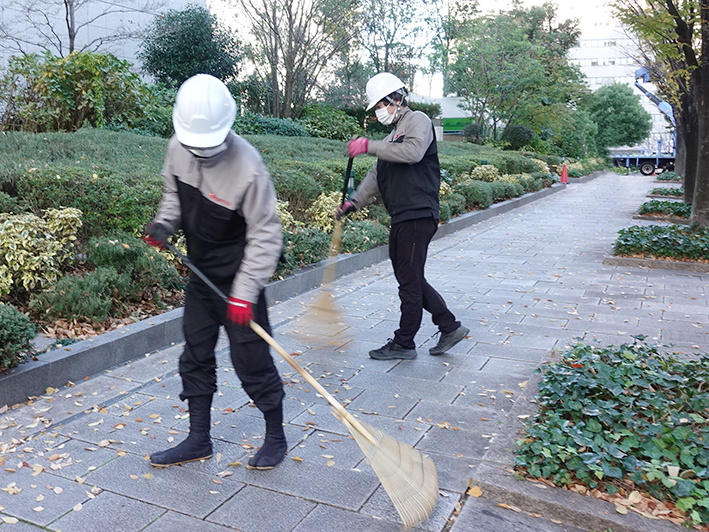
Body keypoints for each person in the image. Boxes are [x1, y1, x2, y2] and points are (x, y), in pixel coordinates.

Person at [143, 74, 286, 470]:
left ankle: (276, 436)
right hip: (201, 277)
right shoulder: (177, 147)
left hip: (240, 281)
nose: (202, 153)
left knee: (252, 361)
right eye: (195, 146)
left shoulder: (249, 167)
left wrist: (244, 292)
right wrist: (165, 224)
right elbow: (174, 195)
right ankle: (198, 439)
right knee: (195, 355)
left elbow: (266, 235)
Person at [337, 72, 469, 360]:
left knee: (409, 281)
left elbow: (412, 153)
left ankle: (404, 343)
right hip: (401, 216)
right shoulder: (390, 137)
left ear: (396, 99)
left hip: (418, 213)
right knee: (411, 278)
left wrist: (368, 146)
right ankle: (449, 325)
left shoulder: (417, 120)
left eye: (381, 105)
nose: (379, 111)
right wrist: (353, 203)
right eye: (376, 108)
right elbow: (375, 175)